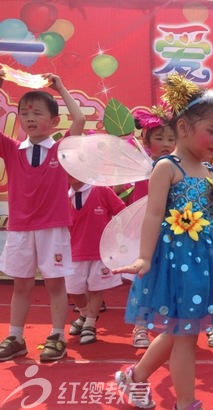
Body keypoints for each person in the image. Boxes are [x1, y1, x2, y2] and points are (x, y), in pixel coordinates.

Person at [112, 74, 213, 410]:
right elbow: (154, 215)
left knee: (179, 331)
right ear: (184, 128)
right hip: (177, 263)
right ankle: (186, 403)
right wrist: (143, 257)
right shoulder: (166, 168)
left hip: (209, 261)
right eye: (211, 131)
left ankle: (135, 377)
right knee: (185, 337)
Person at [0, 71, 85, 362]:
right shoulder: (12, 150)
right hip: (21, 229)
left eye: (37, 113)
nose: (29, 118)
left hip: (53, 228)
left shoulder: (61, 149)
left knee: (54, 284)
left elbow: (80, 120)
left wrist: (60, 86)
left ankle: (58, 335)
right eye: (24, 113)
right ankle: (15, 336)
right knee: (21, 284)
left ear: (54, 121)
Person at [115, 104, 177, 349]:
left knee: (172, 282)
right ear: (146, 140)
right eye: (159, 138)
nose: (166, 143)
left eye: (171, 138)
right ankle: (140, 327)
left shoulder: (178, 167)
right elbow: (119, 190)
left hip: (174, 235)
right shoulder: (139, 166)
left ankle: (171, 330)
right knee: (143, 282)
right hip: (144, 236)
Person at [66, 176, 126, 344]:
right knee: (74, 290)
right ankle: (85, 315)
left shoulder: (101, 190)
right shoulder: (64, 197)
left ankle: (90, 324)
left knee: (95, 289)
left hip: (100, 253)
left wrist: (116, 237)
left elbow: (122, 212)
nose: (69, 174)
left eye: (73, 170)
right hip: (74, 253)